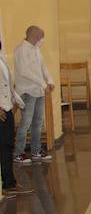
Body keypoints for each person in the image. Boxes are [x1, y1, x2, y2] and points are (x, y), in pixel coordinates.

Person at [13, 26, 53, 163]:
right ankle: (18, 152)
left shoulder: (36, 49)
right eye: (40, 37)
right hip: (27, 91)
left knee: (38, 122)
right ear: (33, 36)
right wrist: (43, 84)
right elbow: (24, 71)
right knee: (26, 123)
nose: (41, 40)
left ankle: (36, 151)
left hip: (38, 91)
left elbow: (42, 66)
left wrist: (50, 80)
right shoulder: (21, 50)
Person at [0, 36, 29, 198]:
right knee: (3, 147)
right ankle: (7, 184)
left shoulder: (1, 60)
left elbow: (6, 85)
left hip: (8, 108)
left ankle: (10, 182)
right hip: (1, 111)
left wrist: (15, 100)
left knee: (7, 146)